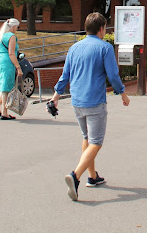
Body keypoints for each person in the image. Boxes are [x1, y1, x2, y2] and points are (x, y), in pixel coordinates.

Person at [49, 12, 131, 202]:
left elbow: (65, 75)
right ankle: (75, 175)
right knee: (96, 142)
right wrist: (123, 94)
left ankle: (92, 176)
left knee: (87, 138)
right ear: (101, 29)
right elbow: (113, 74)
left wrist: (55, 96)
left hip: (77, 100)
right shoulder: (105, 48)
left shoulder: (74, 48)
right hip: (94, 100)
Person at [0, 18, 23, 120]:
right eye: (17, 27)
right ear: (14, 26)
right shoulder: (11, 36)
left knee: (2, 84)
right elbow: (11, 53)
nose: (17, 29)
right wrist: (18, 67)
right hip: (6, 62)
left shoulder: (0, 36)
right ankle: (4, 112)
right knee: (5, 87)